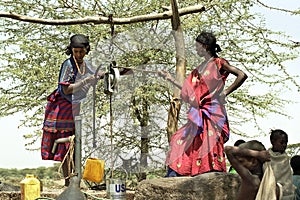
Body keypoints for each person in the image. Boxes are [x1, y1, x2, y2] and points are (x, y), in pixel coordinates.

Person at [159, 31, 248, 177]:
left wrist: (225, 92)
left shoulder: (219, 63)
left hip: (212, 112)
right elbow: (188, 89)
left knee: (208, 142)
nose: (195, 49)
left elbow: (242, 75)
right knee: (178, 140)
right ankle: (177, 176)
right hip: (198, 113)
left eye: (197, 46)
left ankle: (212, 176)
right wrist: (169, 78)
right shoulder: (198, 69)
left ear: (205, 46)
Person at [41, 34, 104, 186]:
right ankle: (69, 182)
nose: (78, 55)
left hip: (74, 106)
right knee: (66, 144)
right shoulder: (68, 65)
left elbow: (96, 73)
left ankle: (74, 180)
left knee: (74, 143)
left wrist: (105, 74)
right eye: (75, 52)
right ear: (71, 51)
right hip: (61, 107)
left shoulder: (86, 64)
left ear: (86, 50)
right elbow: (67, 89)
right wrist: (86, 81)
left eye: (81, 52)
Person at [268, 129, 295, 200]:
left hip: (288, 195)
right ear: (272, 141)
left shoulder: (285, 158)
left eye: (286, 143)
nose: (284, 145)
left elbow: (287, 178)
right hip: (272, 194)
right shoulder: (267, 156)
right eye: (282, 142)